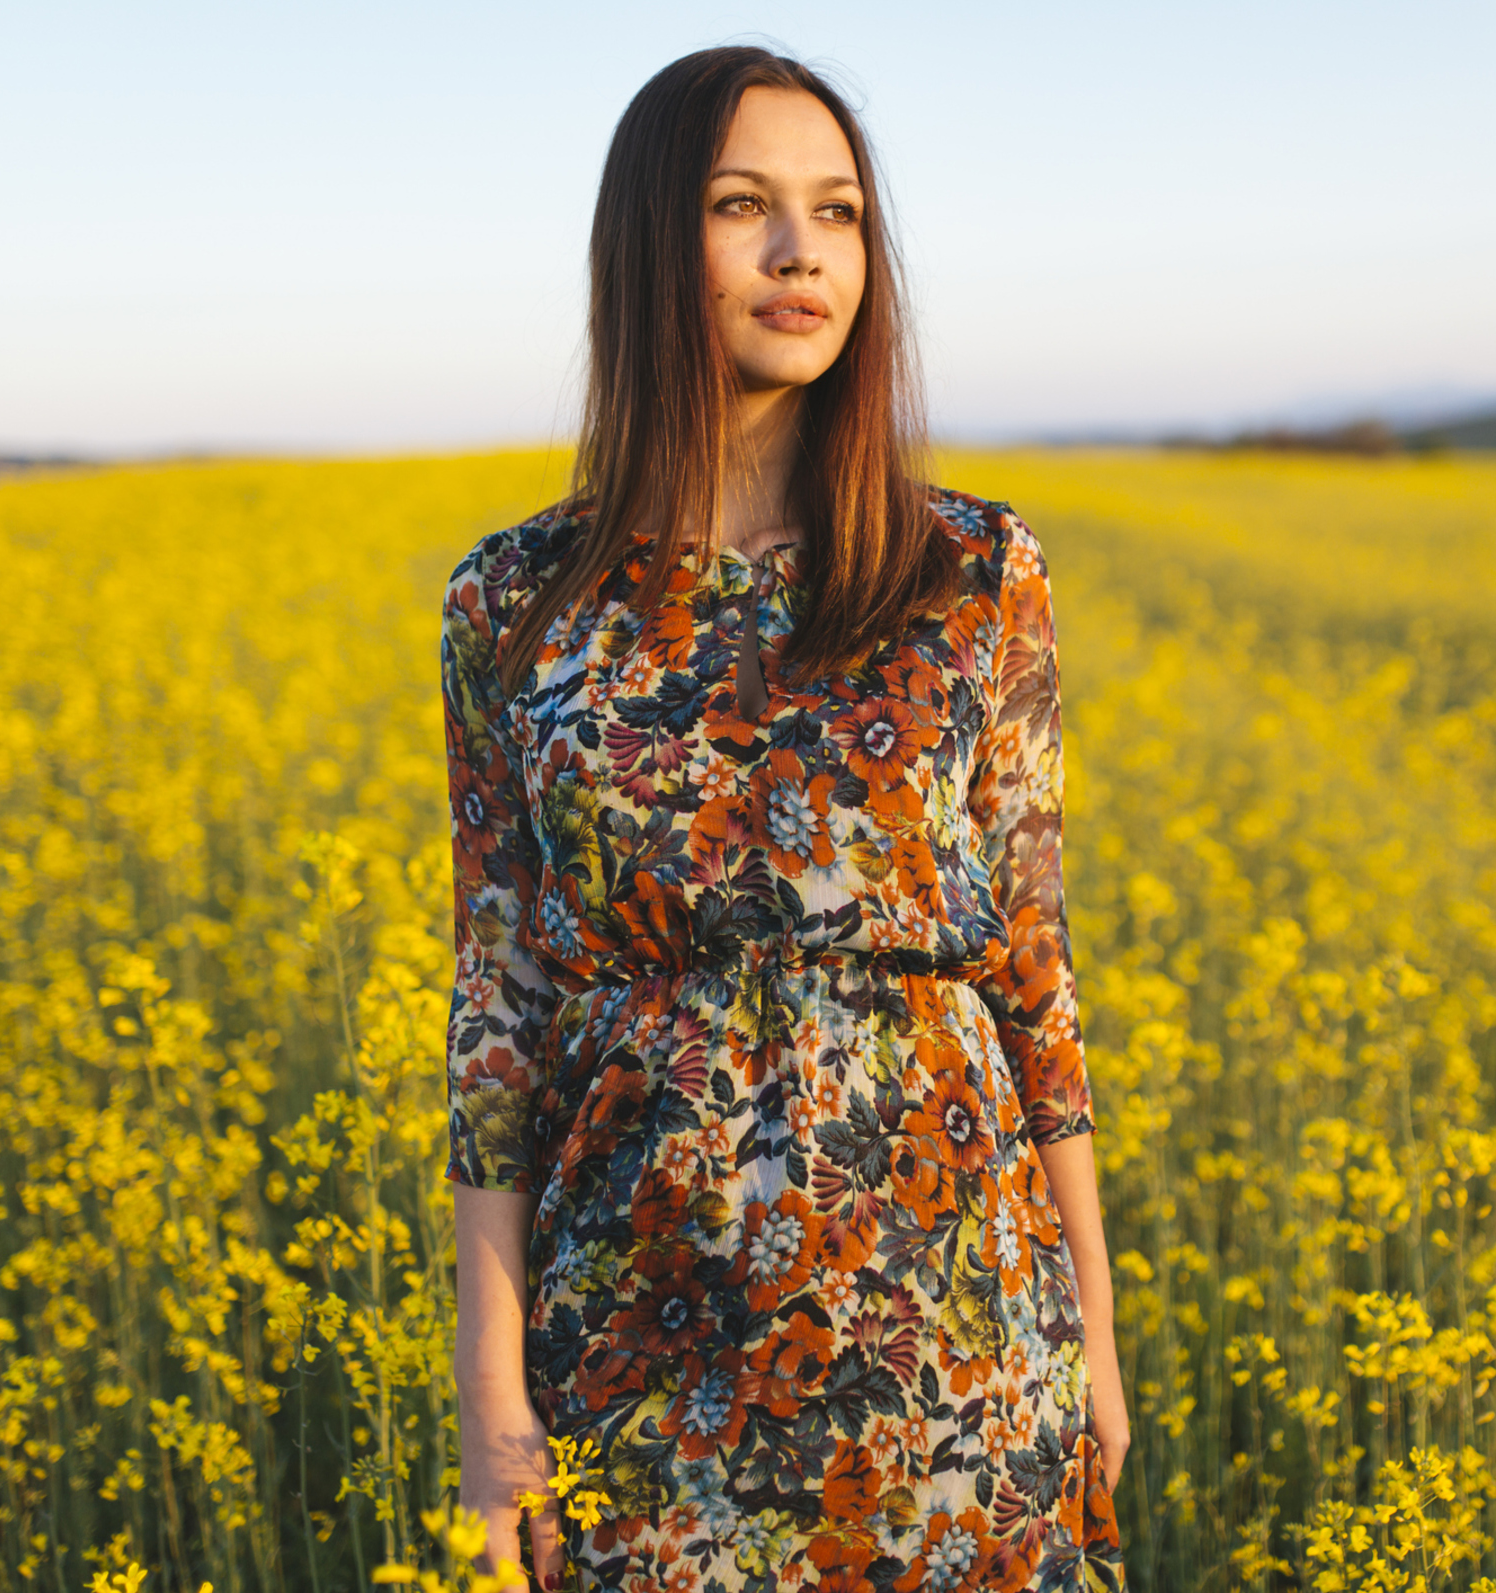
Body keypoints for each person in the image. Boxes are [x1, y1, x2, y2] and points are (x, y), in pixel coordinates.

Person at [442, 45, 1127, 1592]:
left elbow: (1031, 959)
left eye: (836, 213)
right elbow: (499, 1000)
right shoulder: (513, 604)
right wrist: (490, 1381)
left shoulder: (974, 573)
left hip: (952, 1318)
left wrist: (1091, 1325)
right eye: (741, 204)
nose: (799, 250)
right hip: (634, 1323)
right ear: (644, 244)